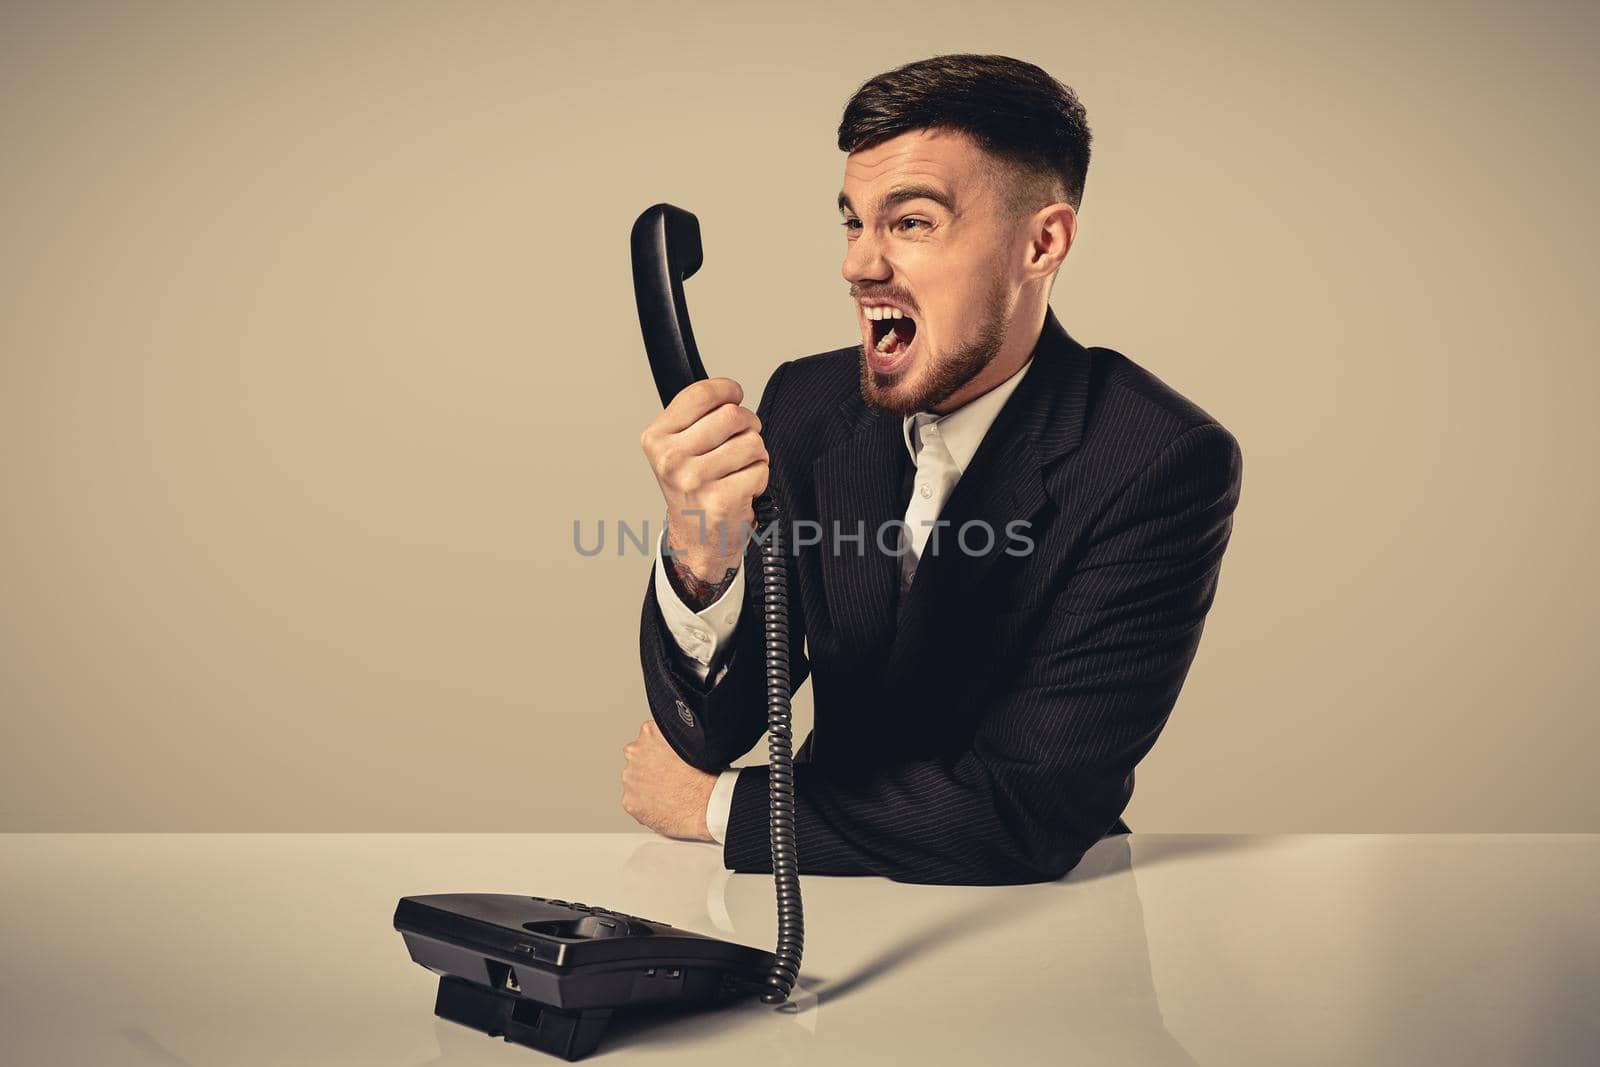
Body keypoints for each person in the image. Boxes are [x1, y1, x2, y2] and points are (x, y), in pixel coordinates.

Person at [623, 54, 1242, 885]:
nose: (859, 266)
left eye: (910, 223)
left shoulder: (1157, 457)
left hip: (1041, 931)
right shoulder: (807, 402)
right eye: (854, 222)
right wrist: (703, 552)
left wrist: (713, 807)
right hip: (827, 909)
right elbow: (709, 731)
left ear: (1041, 243)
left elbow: (1027, 811)